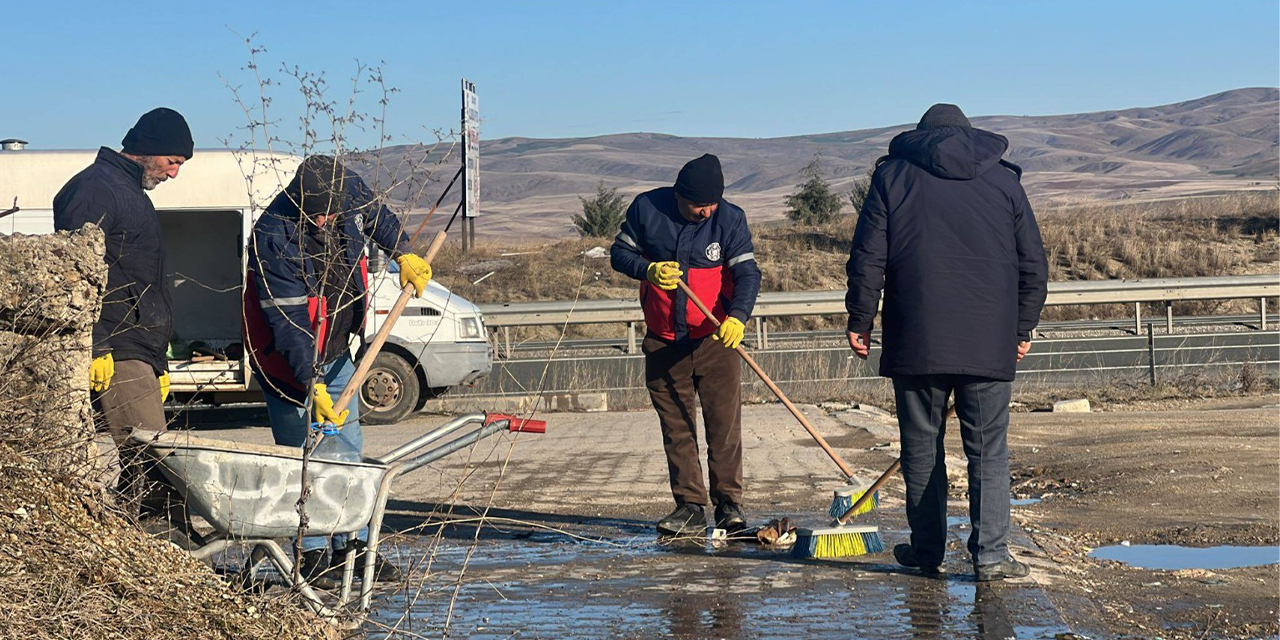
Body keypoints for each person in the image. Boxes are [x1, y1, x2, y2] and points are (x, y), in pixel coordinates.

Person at [844, 104, 1048, 581]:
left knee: (921, 447)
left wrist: (861, 318)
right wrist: (1021, 328)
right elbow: (1033, 265)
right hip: (988, 340)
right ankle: (991, 557)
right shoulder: (1005, 182)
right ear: (969, 134)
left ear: (920, 137)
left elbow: (867, 256)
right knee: (988, 449)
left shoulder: (892, 178)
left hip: (917, 337)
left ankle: (928, 550)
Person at [243, 155, 433, 588]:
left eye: (330, 211)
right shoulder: (273, 235)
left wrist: (403, 250)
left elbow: (378, 217)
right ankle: (309, 557)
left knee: (348, 454)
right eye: (316, 213)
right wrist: (311, 383)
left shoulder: (347, 190)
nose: (324, 219)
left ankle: (355, 546)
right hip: (287, 365)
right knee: (306, 461)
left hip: (339, 353)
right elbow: (287, 322)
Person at [610, 154, 762, 537]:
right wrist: (646, 269)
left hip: (715, 340)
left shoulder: (729, 219)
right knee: (677, 429)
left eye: (712, 203)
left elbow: (747, 274)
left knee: (724, 427)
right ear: (679, 196)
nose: (706, 211)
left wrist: (738, 318)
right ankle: (690, 507)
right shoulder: (647, 209)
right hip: (663, 342)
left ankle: (729, 505)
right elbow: (619, 254)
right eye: (699, 204)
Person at [53, 107, 193, 514]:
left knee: (144, 473)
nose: (174, 174)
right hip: (117, 352)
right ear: (148, 150)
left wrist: (157, 363)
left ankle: (148, 562)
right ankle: (173, 563)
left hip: (137, 354)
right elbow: (75, 274)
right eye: (172, 162)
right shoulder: (95, 190)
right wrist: (95, 346)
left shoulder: (129, 192)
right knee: (157, 472)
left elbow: (138, 281)